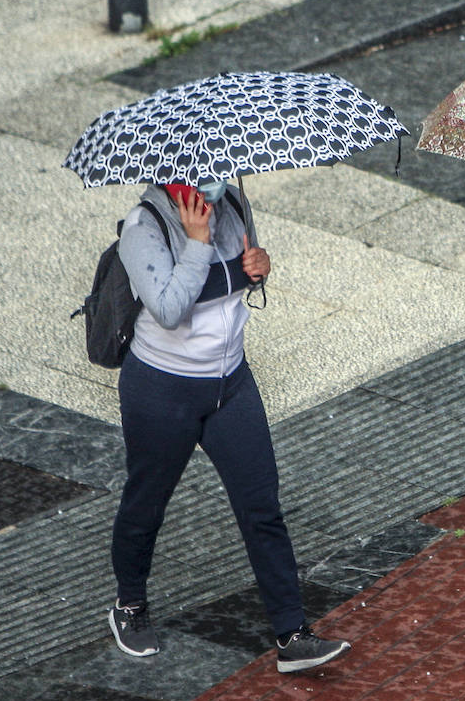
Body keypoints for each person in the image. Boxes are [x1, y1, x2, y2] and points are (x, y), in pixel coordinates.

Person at [107, 179, 351, 674]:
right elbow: (170, 310)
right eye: (200, 178)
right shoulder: (144, 226)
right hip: (162, 389)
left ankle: (292, 634)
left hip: (231, 384)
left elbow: (241, 275)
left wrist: (259, 268)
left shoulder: (234, 202)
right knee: (147, 502)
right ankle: (128, 606)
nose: (212, 187)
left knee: (262, 506)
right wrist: (196, 244)